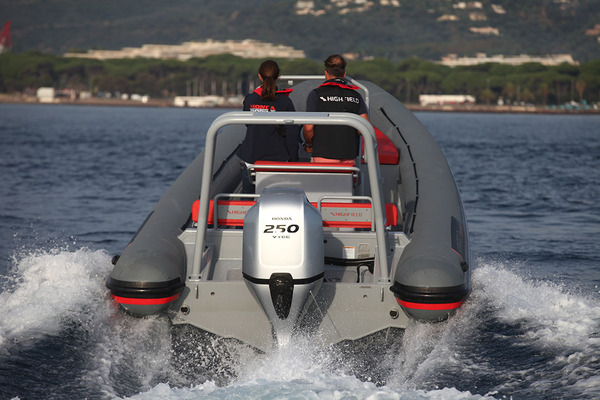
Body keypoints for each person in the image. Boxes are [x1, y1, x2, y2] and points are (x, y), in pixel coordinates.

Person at [237, 59, 300, 193]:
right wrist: (294, 160)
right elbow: (292, 133)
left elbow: (248, 124)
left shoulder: (250, 99)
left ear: (260, 76)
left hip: (252, 159)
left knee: (247, 199)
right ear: (278, 76)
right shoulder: (285, 101)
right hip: (279, 161)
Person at [303, 54, 369, 165]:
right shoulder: (356, 95)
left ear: (326, 73)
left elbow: (309, 128)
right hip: (349, 155)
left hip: (324, 155)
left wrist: (309, 144)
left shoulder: (316, 94)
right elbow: (364, 126)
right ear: (344, 74)